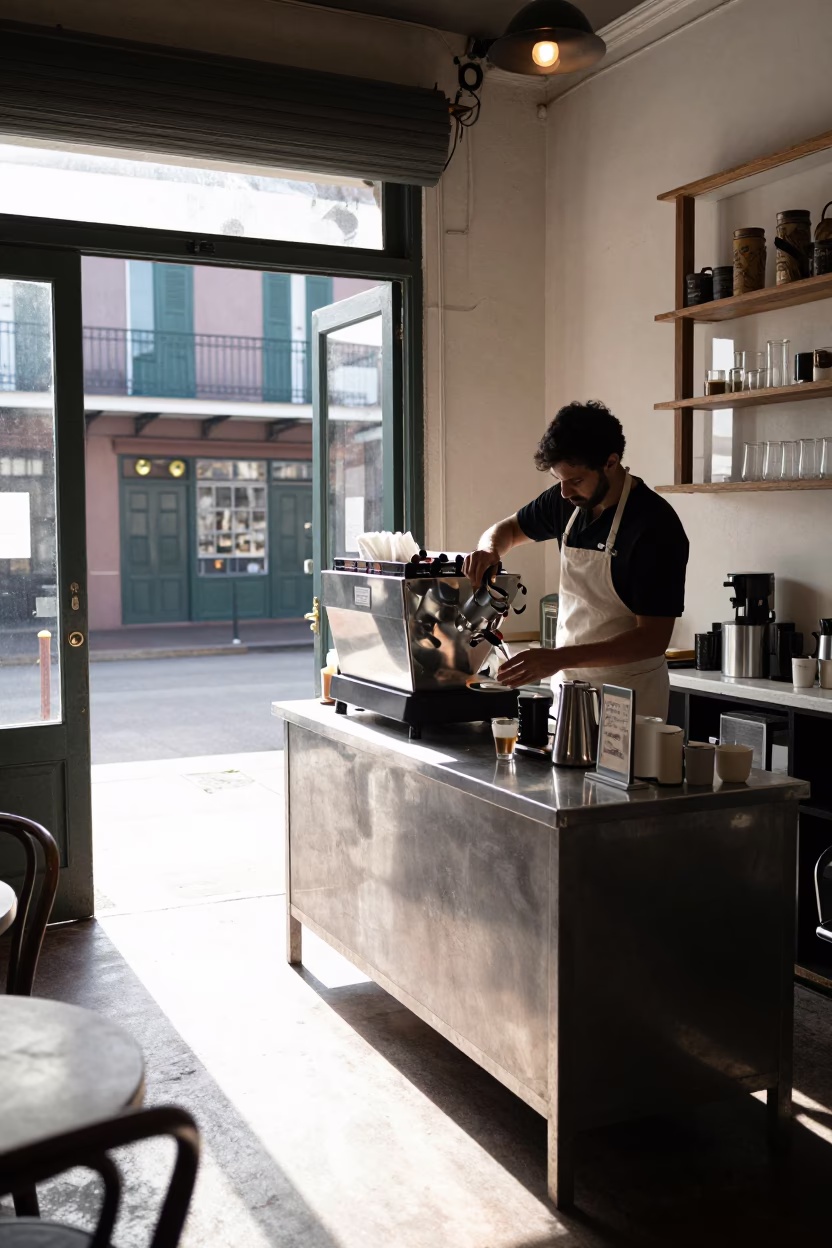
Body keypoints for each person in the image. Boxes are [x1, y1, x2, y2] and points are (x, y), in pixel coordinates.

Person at [464, 400, 689, 720]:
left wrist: (556, 658)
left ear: (611, 462)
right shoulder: (565, 501)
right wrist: (489, 549)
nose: (565, 491)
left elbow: (652, 639)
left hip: (629, 698)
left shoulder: (654, 526)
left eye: (576, 480)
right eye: (559, 480)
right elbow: (509, 530)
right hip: (569, 688)